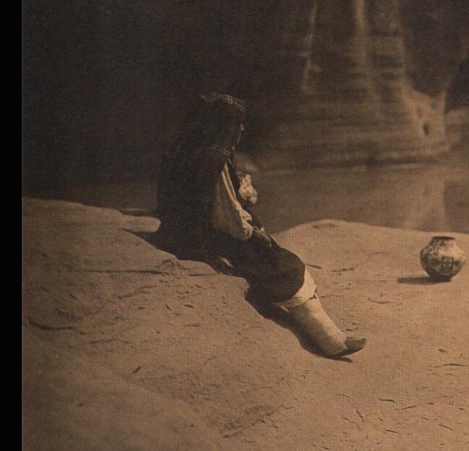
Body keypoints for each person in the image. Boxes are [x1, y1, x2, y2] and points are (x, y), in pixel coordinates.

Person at [155, 93, 366, 358]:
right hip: (205, 238)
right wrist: (255, 233)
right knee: (286, 266)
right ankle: (332, 341)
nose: (241, 129)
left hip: (184, 231)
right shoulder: (214, 162)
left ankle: (332, 337)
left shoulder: (191, 151)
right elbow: (227, 218)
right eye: (237, 124)